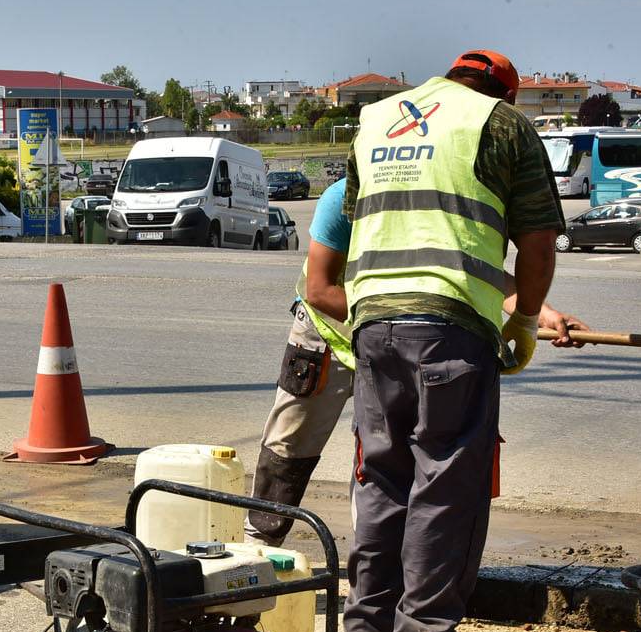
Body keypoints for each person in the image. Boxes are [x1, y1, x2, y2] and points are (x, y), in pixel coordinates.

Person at [338, 49, 564, 632]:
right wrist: (522, 322)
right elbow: (538, 245)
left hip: (373, 322)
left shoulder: (376, 118)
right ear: (507, 94)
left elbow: (360, 220)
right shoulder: (500, 124)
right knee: (445, 478)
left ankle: (366, 629)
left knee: (381, 474)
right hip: (449, 327)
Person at [246, 177, 587, 550]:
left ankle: (373, 566)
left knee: (376, 459)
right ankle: (258, 549)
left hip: (389, 342)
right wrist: (393, 319)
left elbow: (471, 273)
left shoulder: (435, 204)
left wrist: (541, 314)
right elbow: (320, 290)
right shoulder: (343, 199)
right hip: (326, 332)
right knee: (290, 445)